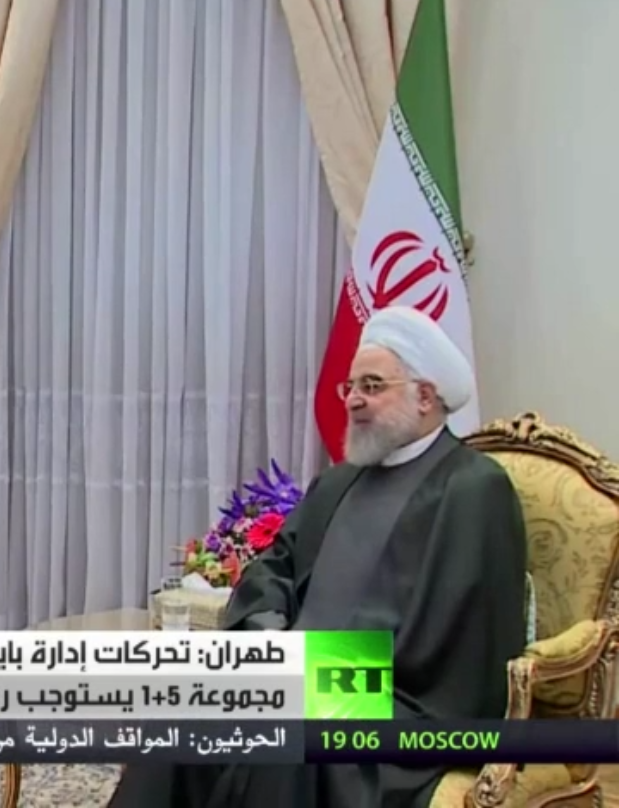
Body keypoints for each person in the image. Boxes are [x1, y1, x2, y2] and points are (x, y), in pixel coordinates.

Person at [107, 305, 529, 807]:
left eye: (372, 386)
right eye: (350, 387)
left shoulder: (474, 488)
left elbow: (458, 644)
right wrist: (268, 635)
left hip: (400, 704)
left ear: (425, 396)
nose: (354, 400)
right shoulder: (338, 481)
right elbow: (274, 568)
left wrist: (318, 674)